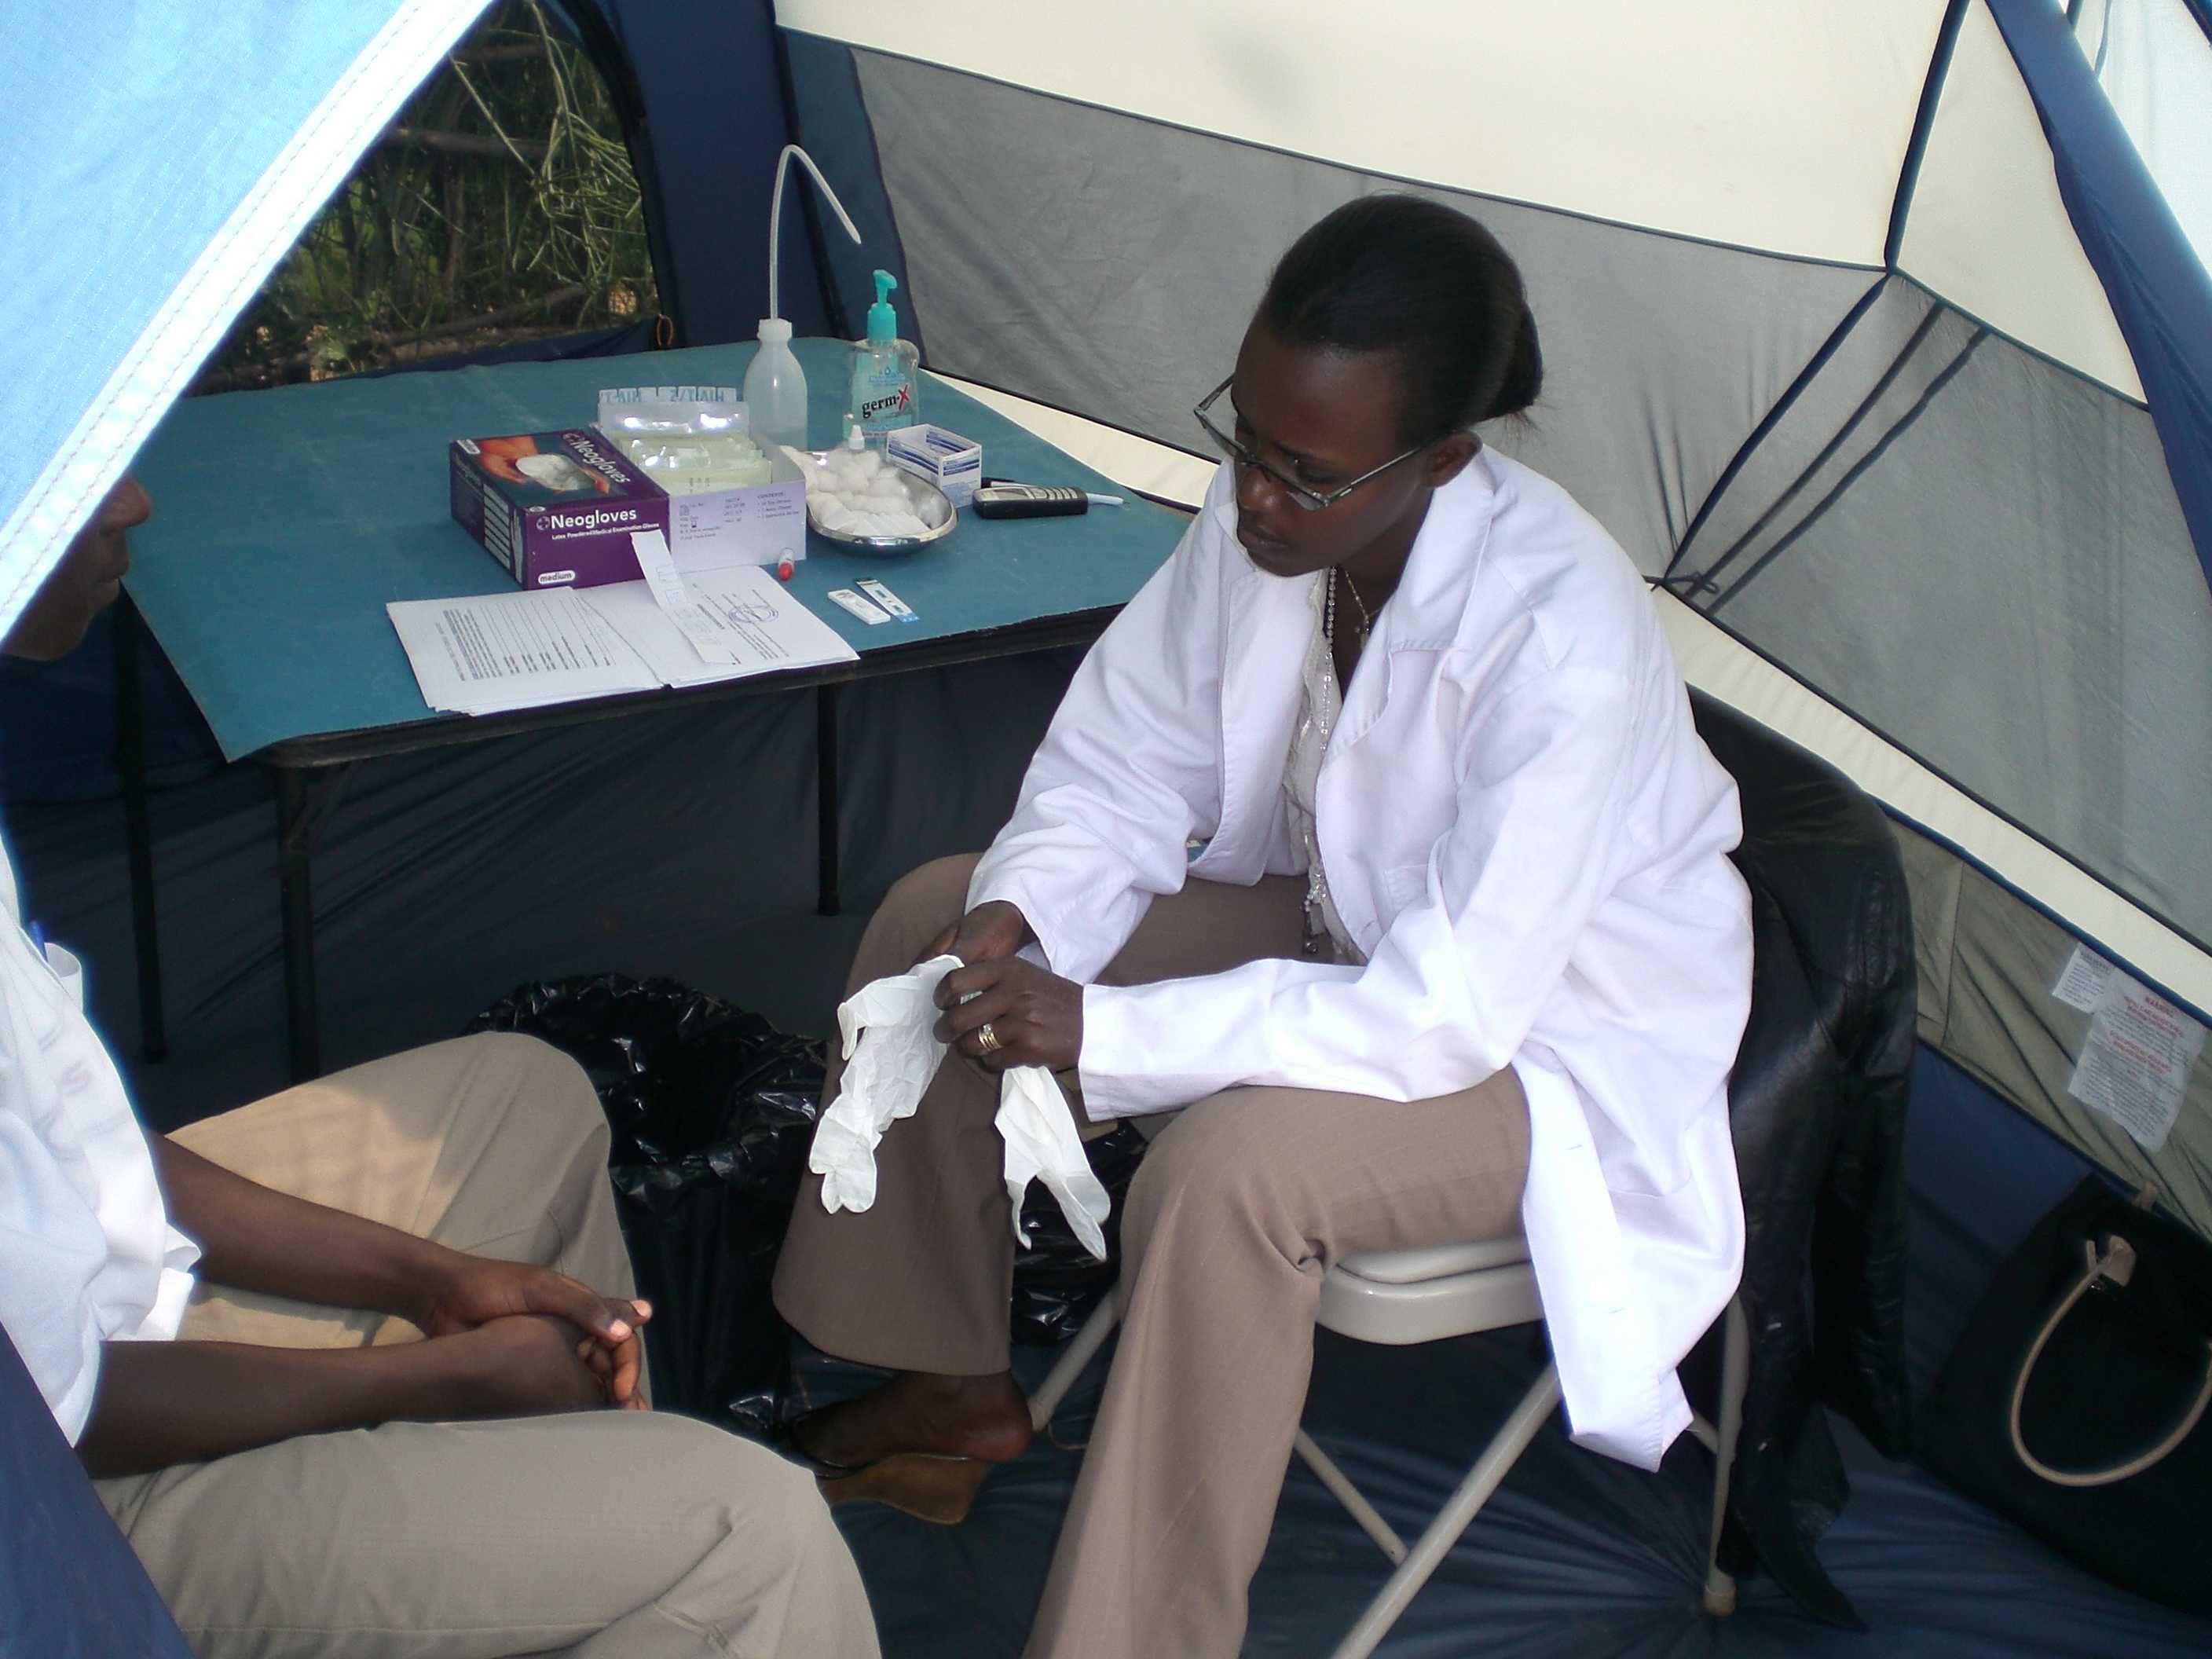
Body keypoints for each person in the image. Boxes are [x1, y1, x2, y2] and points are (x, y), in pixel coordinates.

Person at [772, 196, 1755, 1657]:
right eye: (1246, 438)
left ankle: (1134, 1636)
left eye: (1308, 475)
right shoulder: (1276, 525)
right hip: (1348, 930)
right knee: (942, 924)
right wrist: (1023, 920)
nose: (1253, 502)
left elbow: (1447, 1010)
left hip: (1541, 1041)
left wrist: (1108, 1029)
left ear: (1444, 458)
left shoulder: (1561, 637)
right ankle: (949, 1380)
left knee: (1230, 1177)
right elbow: (1121, 767)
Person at [0, 476, 881, 1658]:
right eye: (85, 470)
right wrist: (440, 1384)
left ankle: (565, 1549)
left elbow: (81, 1146)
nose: (140, 506)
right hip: (64, 1523)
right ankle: (623, 1547)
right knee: (753, 1530)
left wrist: (434, 1286)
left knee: (525, 1095)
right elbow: (65, 1409)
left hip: (99, 1327)